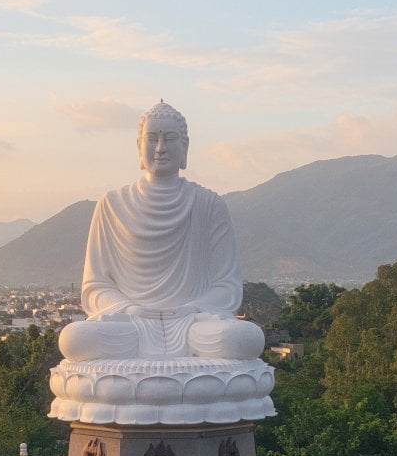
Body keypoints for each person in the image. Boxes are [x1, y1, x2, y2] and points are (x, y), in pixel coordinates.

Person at [57, 102, 265, 364]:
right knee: (75, 339)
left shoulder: (208, 204)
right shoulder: (112, 204)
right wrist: (130, 308)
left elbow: (227, 287)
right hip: (130, 322)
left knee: (244, 339)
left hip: (193, 323)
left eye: (170, 138)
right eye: (152, 139)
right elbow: (95, 286)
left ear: (185, 146)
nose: (160, 148)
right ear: (138, 146)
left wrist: (190, 309)